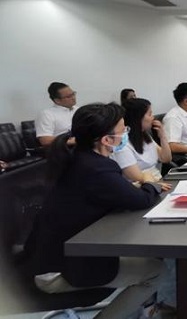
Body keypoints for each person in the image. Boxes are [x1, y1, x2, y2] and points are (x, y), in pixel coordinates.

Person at [23, 103, 166, 319]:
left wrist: (136, 187)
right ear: (107, 140)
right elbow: (141, 200)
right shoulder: (97, 168)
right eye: (123, 130)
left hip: (50, 256)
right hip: (58, 270)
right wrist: (150, 182)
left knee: (148, 255)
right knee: (156, 271)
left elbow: (112, 194)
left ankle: (147, 309)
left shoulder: (79, 158)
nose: (126, 134)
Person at [113, 98, 172, 186]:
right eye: (149, 114)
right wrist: (157, 184)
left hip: (158, 181)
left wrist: (162, 136)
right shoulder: (122, 144)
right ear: (138, 118)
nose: (153, 117)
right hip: (142, 187)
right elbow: (136, 177)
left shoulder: (144, 135)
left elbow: (166, 159)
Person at [35, 82, 78, 147]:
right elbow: (45, 140)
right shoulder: (47, 114)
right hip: (64, 148)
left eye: (73, 94)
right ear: (57, 100)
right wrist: (73, 141)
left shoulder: (78, 109)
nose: (73, 98)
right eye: (68, 96)